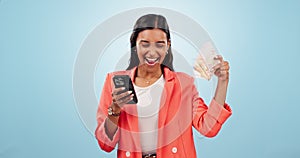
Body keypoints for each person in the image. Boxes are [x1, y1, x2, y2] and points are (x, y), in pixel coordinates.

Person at [95, 14, 232, 158]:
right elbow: (105, 144)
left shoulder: (184, 84)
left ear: (168, 45)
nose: (152, 52)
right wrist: (115, 110)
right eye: (145, 43)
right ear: (135, 44)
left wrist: (222, 82)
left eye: (159, 44)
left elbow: (208, 128)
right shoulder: (114, 81)